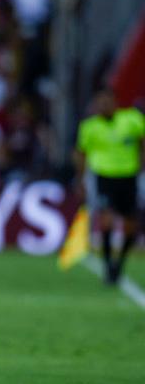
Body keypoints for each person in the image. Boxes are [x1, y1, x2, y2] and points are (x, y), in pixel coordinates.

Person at [75, 88, 144, 284]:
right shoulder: (89, 127)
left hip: (128, 177)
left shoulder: (132, 120)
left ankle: (119, 262)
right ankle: (108, 266)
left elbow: (142, 141)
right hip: (104, 177)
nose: (104, 105)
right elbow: (82, 154)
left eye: (107, 101)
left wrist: (141, 162)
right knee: (106, 221)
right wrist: (80, 179)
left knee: (130, 225)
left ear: (115, 101)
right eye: (100, 102)